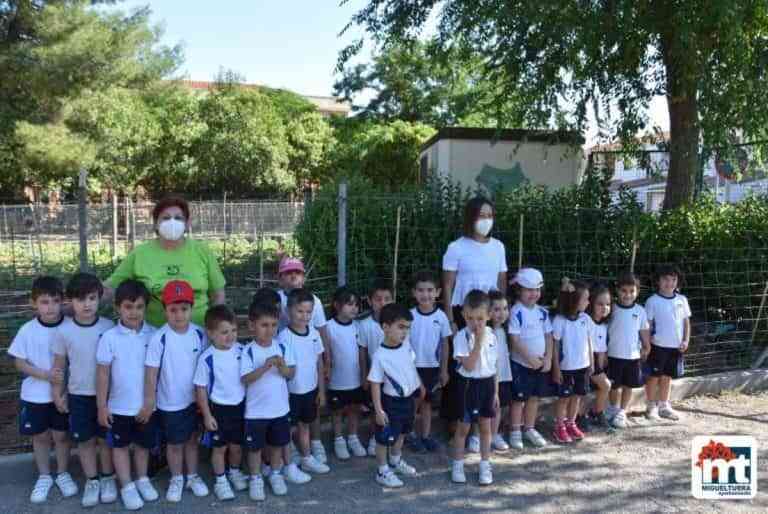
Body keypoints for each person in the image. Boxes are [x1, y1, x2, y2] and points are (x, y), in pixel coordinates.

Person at [104, 194, 226, 328]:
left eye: (178, 218)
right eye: (166, 218)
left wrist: (215, 327)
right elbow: (111, 287)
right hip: (154, 335)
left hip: (199, 333)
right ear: (156, 223)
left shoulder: (202, 252)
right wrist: (85, 296)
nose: (172, 222)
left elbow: (218, 295)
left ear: (187, 224)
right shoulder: (140, 254)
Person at [9, 276, 78, 505]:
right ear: (34, 303)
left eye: (56, 301)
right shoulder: (27, 330)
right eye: (45, 302)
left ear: (63, 302)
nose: (51, 307)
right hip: (34, 395)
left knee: (61, 435)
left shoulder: (70, 327)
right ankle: (45, 476)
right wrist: (45, 375)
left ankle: (63, 472)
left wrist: (65, 388)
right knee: (41, 437)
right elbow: (19, 363)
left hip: (64, 395)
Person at [441, 197, 507, 431]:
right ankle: (457, 423)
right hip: (463, 313)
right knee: (460, 367)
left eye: (490, 215)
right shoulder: (456, 247)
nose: (486, 220)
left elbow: (501, 282)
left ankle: (483, 427)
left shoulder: (498, 247)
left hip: (486, 313)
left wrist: (498, 312)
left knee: (486, 363)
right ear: (471, 218)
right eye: (481, 215)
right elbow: (448, 285)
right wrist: (451, 319)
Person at [51, 273, 117, 507]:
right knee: (85, 441)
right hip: (78, 396)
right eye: (80, 299)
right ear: (70, 302)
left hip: (106, 397)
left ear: (100, 298)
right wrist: (57, 394)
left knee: (105, 440)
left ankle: (108, 477)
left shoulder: (109, 328)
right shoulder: (64, 332)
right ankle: (92, 480)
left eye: (91, 298)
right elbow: (59, 367)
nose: (86, 304)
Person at [143, 280, 209, 503]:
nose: (179, 315)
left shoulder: (200, 334)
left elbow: (206, 366)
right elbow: (151, 372)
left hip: (195, 400)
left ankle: (192, 476)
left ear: (191, 309)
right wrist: (150, 400)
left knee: (192, 440)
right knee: (174, 444)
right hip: (170, 402)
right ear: (165, 310)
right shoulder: (159, 338)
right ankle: (176, 478)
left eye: (184, 309)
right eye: (173, 310)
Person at [96, 280, 159, 511]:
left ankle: (142, 479)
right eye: (128, 307)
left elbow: (157, 373)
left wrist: (149, 403)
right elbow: (102, 374)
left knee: (143, 446)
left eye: (139, 307)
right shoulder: (109, 337)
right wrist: (102, 407)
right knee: (120, 447)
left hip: (146, 407)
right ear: (117, 308)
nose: (134, 312)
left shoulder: (153, 335)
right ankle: (127, 485)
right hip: (118, 407)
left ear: (146, 308)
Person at [275, 257, 331, 464]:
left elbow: (321, 331)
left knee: (309, 416)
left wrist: (327, 361)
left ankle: (312, 448)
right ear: (280, 278)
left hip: (309, 379)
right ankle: (290, 454)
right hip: (288, 379)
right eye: (288, 273)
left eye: (297, 273)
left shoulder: (313, 302)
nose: (293, 277)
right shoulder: (277, 300)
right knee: (289, 421)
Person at [240, 301, 296, 501]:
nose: (269, 330)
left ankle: (275, 474)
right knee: (254, 449)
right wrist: (264, 367)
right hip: (256, 412)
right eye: (264, 325)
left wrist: (282, 367)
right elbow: (245, 379)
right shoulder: (247, 350)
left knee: (277, 445)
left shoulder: (282, 346)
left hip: (280, 409)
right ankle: (255, 478)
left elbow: (291, 374)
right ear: (252, 326)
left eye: (273, 325)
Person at [194, 305, 248, 501]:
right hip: (218, 410)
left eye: (233, 331)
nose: (231, 336)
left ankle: (234, 471)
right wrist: (207, 415)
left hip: (240, 408)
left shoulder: (243, 350)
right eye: (224, 332)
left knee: (236, 446)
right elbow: (200, 388)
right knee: (219, 448)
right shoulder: (206, 358)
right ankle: (221, 480)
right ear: (211, 333)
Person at [368, 303, 423, 488]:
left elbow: (410, 367)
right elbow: (375, 383)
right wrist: (378, 409)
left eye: (407, 327)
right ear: (385, 327)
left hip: (408, 400)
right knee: (384, 438)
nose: (405, 332)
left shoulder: (405, 345)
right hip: (390, 403)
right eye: (400, 327)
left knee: (402, 433)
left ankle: (396, 460)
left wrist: (419, 384)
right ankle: (382, 471)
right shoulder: (380, 356)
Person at [450, 290, 499, 486]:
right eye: (470, 318)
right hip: (468, 385)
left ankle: (485, 464)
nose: (475, 323)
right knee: (464, 427)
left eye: (480, 318)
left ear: (488, 316)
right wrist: (477, 343)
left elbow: (495, 367)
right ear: (464, 315)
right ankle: (458, 464)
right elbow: (469, 366)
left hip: (487, 384)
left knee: (486, 427)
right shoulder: (461, 337)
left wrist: (495, 392)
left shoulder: (492, 335)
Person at [507, 267, 552, 449]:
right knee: (518, 399)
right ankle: (515, 431)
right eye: (529, 289)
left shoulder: (543, 312)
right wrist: (529, 359)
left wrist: (548, 358)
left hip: (540, 363)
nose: (534, 294)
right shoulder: (516, 312)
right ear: (519, 290)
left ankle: (529, 428)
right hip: (521, 364)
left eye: (537, 290)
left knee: (534, 398)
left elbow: (549, 336)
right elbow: (515, 340)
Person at [407, 271, 451, 452]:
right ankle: (409, 434)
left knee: (427, 404)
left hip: (432, 368)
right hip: (412, 369)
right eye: (421, 290)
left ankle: (425, 435)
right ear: (414, 293)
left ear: (438, 292)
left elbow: (445, 344)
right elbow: (404, 344)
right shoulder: (409, 316)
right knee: (413, 403)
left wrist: (444, 370)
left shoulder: (441, 317)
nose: (425, 295)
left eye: (430, 290)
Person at [644, 265, 691, 421]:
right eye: (665, 279)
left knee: (667, 377)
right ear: (658, 281)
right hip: (657, 347)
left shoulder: (682, 300)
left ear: (678, 282)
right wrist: (646, 344)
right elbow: (647, 325)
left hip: (675, 348)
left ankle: (664, 405)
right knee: (653, 377)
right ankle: (651, 407)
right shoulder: (652, 301)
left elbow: (686, 323)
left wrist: (686, 340)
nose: (669, 283)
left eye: (673, 279)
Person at [325, 287, 366, 460]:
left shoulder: (358, 327)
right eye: (349, 304)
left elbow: (362, 354)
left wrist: (364, 375)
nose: (354, 308)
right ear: (336, 305)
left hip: (355, 380)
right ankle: (339, 439)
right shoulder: (328, 328)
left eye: (356, 305)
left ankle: (353, 437)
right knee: (337, 412)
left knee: (354, 410)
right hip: (336, 381)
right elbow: (325, 356)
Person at [551, 279, 593, 444]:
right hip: (565, 368)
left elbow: (589, 340)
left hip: (582, 366)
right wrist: (556, 368)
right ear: (574, 300)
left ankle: (571, 423)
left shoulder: (585, 319)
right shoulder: (560, 321)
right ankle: (559, 426)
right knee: (563, 398)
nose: (588, 302)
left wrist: (591, 362)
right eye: (585, 299)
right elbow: (555, 345)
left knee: (577, 396)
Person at [606, 272, 651, 429]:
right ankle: (612, 408)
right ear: (617, 291)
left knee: (628, 385)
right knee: (614, 385)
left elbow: (644, 329)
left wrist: (647, 345)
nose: (628, 295)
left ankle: (622, 411)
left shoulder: (640, 310)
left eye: (632, 291)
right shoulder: (611, 309)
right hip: (613, 355)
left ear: (637, 292)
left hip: (633, 356)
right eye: (624, 291)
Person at [357, 279, 395, 456]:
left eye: (387, 299)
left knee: (392, 406)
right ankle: (374, 437)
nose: (382, 303)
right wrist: (365, 375)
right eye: (378, 299)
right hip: (375, 377)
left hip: (393, 376)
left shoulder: (397, 323)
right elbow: (363, 352)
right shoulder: (364, 325)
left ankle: (390, 436)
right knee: (376, 408)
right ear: (370, 301)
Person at [582, 283, 614, 432]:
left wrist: (600, 366)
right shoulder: (585, 320)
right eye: (600, 304)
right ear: (591, 303)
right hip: (584, 359)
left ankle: (596, 413)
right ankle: (587, 415)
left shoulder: (604, 324)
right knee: (600, 386)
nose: (604, 308)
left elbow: (601, 349)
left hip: (596, 362)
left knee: (600, 386)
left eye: (608, 304)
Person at [488, 290, 512, 451]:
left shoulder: (505, 331)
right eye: (496, 309)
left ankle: (495, 434)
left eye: (504, 308)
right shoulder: (486, 332)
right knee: (487, 407)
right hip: (489, 377)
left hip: (503, 376)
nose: (501, 313)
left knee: (500, 406)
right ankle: (482, 436)